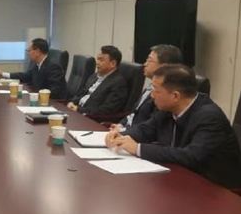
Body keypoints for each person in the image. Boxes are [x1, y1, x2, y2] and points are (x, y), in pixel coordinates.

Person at [106, 64, 241, 188]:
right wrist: (120, 136)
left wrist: (138, 148)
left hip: (216, 188)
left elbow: (191, 156)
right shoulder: (168, 109)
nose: (152, 96)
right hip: (179, 179)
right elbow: (145, 129)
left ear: (175, 96)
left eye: (156, 90)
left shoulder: (209, 117)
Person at [112, 44, 183, 131]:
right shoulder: (150, 87)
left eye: (149, 61)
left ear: (164, 67)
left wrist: (124, 131)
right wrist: (120, 125)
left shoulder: (165, 94)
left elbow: (151, 127)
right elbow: (133, 113)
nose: (145, 64)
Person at [0, 38, 67, 99]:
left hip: (54, 103)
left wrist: (34, 95)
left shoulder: (53, 67)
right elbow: (25, 76)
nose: (28, 53)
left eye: (29, 50)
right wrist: (3, 74)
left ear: (37, 52)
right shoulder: (37, 65)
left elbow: (55, 91)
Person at [67, 45, 127, 116]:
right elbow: (81, 93)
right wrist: (72, 102)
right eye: (97, 59)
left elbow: (106, 110)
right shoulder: (94, 76)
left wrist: (78, 110)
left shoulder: (118, 83)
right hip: (76, 111)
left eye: (101, 60)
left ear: (113, 64)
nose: (97, 62)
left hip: (89, 117)